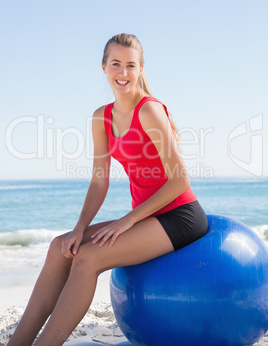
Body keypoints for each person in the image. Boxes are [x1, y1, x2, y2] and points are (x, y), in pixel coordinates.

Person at [8, 33, 208, 346]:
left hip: (180, 216)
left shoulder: (149, 111)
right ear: (104, 67)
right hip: (147, 218)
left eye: (131, 65)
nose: (123, 72)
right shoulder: (101, 117)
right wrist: (79, 228)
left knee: (88, 258)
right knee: (61, 247)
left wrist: (126, 220)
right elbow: (100, 180)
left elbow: (180, 180)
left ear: (141, 69)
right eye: (116, 64)